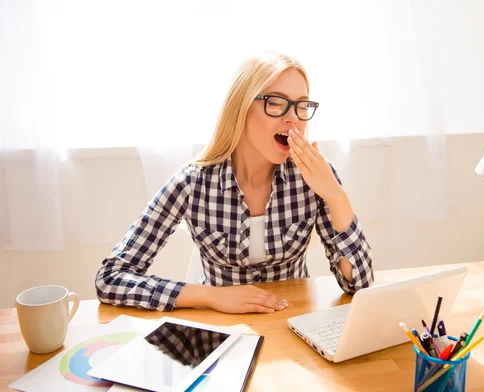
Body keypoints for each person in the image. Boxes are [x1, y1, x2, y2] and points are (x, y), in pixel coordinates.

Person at [95, 52, 374, 314]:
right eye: (276, 103)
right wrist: (211, 296)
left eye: (302, 106)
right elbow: (110, 278)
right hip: (221, 334)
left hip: (294, 323)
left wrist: (336, 196)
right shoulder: (193, 183)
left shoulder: (315, 178)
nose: (293, 118)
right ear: (240, 108)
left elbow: (358, 284)